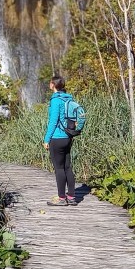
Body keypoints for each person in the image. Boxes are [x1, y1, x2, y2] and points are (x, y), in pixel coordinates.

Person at [43, 75, 77, 206]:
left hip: (57, 138)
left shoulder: (56, 101)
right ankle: (72, 197)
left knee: (59, 168)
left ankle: (62, 198)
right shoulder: (69, 98)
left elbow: (53, 121)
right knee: (67, 167)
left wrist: (47, 139)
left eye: (50, 83)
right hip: (68, 137)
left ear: (53, 85)